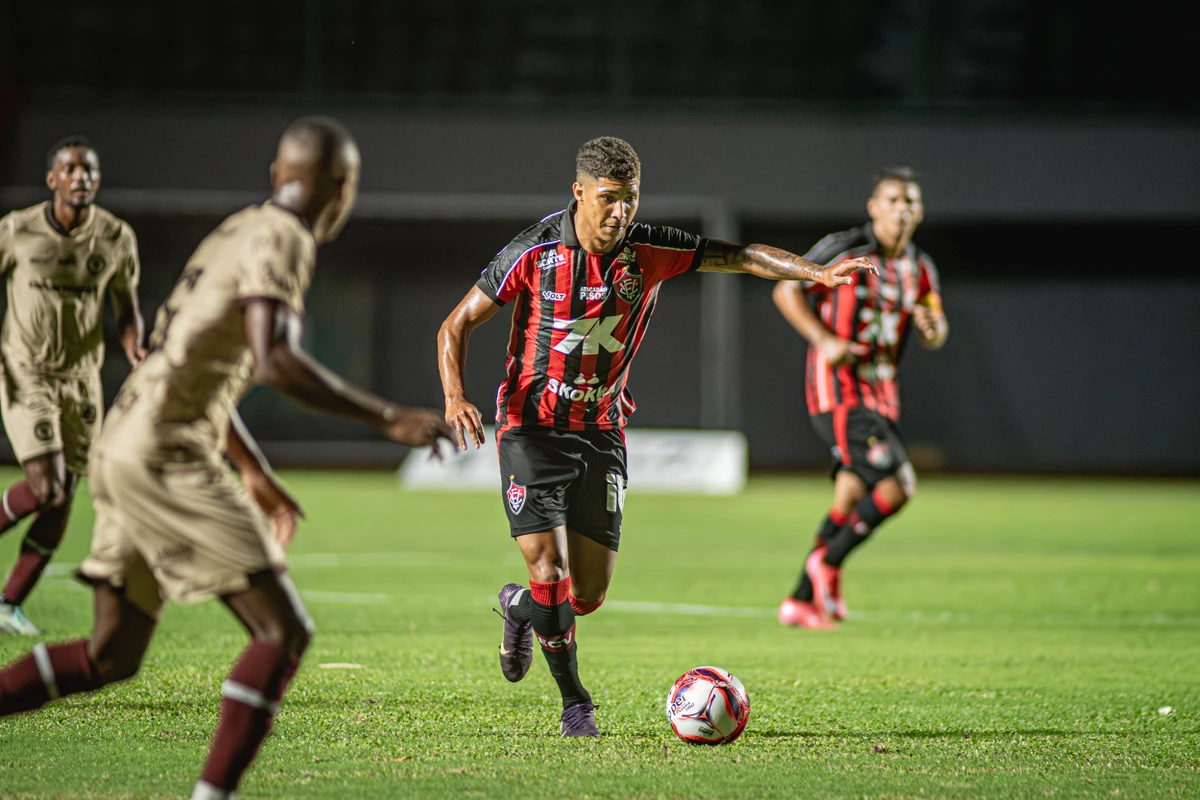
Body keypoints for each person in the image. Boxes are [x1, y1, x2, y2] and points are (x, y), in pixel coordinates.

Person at [0, 117, 454, 800]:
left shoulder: (235, 230)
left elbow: (198, 362)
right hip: (164, 450)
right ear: (343, 188)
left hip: (123, 439)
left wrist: (256, 473)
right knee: (282, 631)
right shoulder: (284, 237)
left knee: (109, 655)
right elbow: (273, 358)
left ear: (277, 175)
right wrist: (388, 417)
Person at [437, 136, 874, 737]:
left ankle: (518, 607)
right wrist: (455, 396)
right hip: (530, 429)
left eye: (631, 201)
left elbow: (743, 255)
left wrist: (816, 272)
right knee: (548, 566)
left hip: (602, 433)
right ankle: (576, 704)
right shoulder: (534, 252)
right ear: (580, 193)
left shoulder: (650, 250)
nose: (620, 213)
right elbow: (456, 323)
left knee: (585, 596)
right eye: (609, 199)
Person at [774, 166, 948, 630]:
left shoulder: (920, 268)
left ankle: (799, 601)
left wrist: (934, 328)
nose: (901, 209)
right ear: (874, 207)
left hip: (881, 391)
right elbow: (786, 287)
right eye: (892, 200)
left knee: (849, 496)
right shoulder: (845, 247)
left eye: (910, 201)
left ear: (920, 212)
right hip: (840, 389)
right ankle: (828, 563)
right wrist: (824, 339)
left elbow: (935, 326)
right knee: (899, 484)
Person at [0, 136, 146, 634]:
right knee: (46, 486)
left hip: (82, 382)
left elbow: (126, 308)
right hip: (26, 371)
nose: (82, 178)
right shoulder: (17, 230)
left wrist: (134, 346)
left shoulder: (115, 237)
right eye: (72, 169)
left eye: (90, 171)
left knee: (63, 498)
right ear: (53, 179)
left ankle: (8, 604)